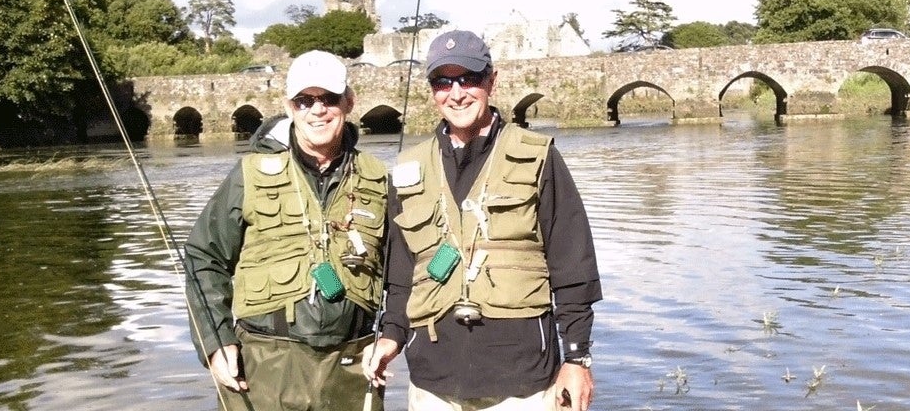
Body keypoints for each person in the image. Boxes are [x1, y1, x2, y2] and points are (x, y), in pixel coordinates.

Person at [363, 30, 602, 411]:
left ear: (492, 81)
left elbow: (573, 266)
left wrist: (577, 357)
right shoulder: (408, 169)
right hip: (433, 382)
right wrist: (391, 336)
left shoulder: (539, 157)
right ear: (432, 91)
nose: (456, 93)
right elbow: (401, 272)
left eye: (469, 78)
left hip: (522, 380)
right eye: (443, 82)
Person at [184, 50, 389, 410]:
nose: (317, 110)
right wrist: (215, 342)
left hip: (352, 368)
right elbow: (204, 256)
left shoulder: (379, 178)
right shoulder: (249, 174)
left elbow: (403, 272)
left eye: (329, 98)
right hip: (264, 367)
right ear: (289, 107)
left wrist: (393, 336)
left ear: (349, 102)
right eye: (304, 100)